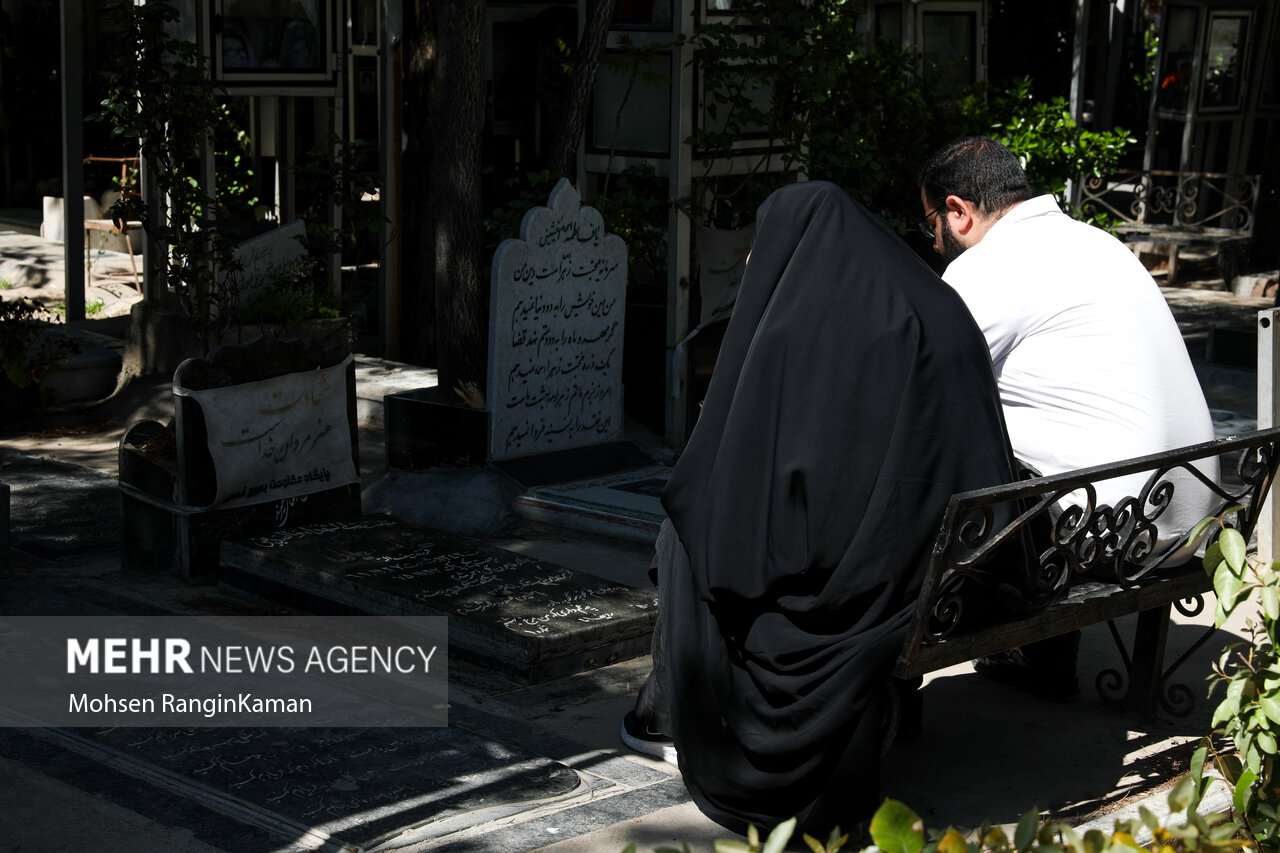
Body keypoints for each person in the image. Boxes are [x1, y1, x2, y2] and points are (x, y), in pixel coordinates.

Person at [624, 180, 1020, 837]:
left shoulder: (822, 327)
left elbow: (783, 488)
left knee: (687, 534)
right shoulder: (930, 299)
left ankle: (672, 717)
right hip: (968, 565)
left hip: (882, 589)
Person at [917, 136, 1219, 699]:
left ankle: (909, 662)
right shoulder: (1097, 242)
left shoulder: (985, 270)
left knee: (943, 457)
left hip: (1112, 530)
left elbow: (917, 388)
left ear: (956, 211)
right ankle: (1042, 659)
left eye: (930, 223)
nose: (934, 241)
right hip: (1190, 510)